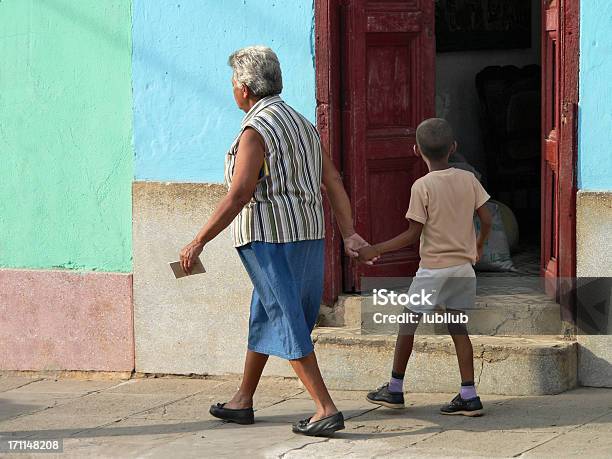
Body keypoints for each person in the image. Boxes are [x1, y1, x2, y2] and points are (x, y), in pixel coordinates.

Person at [179, 46, 371, 436]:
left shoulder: (256, 130)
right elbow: (331, 180)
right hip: (308, 235)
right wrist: (348, 231)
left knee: (284, 317)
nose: (233, 90)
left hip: (269, 239)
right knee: (268, 312)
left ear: (246, 89)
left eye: (234, 83)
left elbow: (239, 193)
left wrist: (198, 240)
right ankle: (242, 399)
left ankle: (325, 408)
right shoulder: (302, 124)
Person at [358, 118, 492, 417]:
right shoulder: (469, 178)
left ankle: (394, 389)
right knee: (459, 329)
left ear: (416, 150)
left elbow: (412, 234)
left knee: (408, 325)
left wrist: (375, 248)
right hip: (462, 268)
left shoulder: (422, 186)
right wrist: (479, 245)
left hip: (432, 270)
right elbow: (487, 219)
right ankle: (469, 394)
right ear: (454, 148)